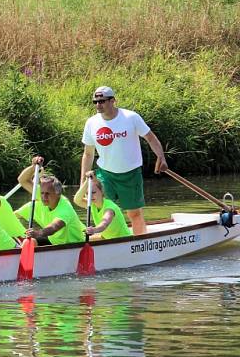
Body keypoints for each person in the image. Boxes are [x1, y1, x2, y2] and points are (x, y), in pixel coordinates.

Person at [81, 85, 168, 235]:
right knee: (103, 209)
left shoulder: (130, 117)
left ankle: (139, 244)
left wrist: (161, 157)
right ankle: (108, 240)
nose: (98, 105)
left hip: (130, 174)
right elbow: (88, 154)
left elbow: (150, 138)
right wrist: (83, 180)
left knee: (134, 214)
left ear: (113, 100)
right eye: (95, 102)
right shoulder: (91, 123)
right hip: (105, 174)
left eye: (101, 101)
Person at [16, 156, 86, 245]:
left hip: (72, 244)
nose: (43, 197)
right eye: (42, 193)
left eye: (48, 194)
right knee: (28, 242)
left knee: (34, 239)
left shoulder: (65, 208)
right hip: (53, 241)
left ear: (58, 194)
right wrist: (33, 167)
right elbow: (23, 180)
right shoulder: (42, 194)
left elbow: (54, 227)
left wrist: (38, 233)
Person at [73, 171, 131, 240]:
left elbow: (104, 224)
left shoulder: (109, 208)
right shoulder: (92, 204)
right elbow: (77, 200)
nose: (90, 196)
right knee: (80, 239)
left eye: (93, 192)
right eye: (87, 193)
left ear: (101, 192)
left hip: (123, 240)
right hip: (106, 238)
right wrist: (87, 181)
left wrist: (94, 230)